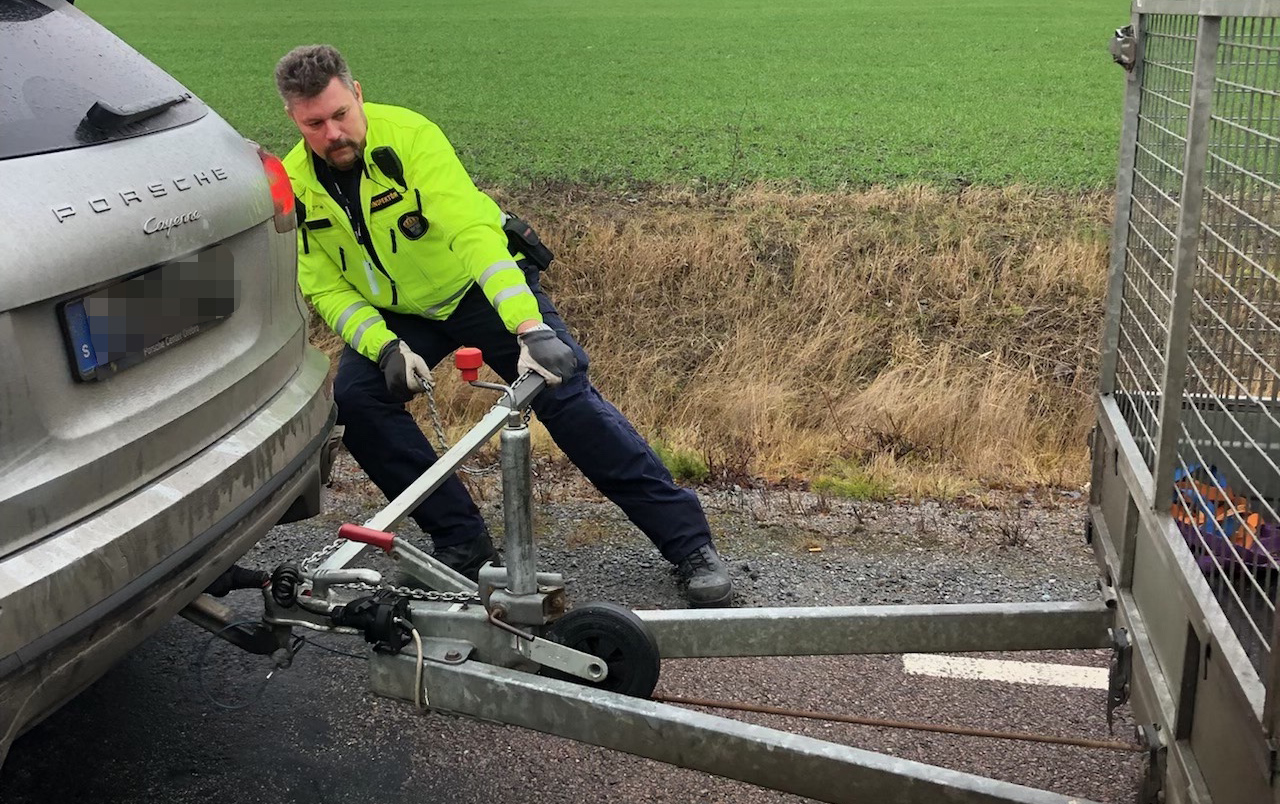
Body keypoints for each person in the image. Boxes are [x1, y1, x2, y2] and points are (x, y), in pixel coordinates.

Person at [274, 44, 733, 607]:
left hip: (478, 288)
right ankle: (462, 545)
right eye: (315, 124)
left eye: (341, 114)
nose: (333, 133)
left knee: (567, 399)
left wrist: (527, 327)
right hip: (401, 314)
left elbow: (475, 237)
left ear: (359, 93)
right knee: (358, 401)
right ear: (295, 122)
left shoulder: (413, 139)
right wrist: (384, 345)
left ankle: (689, 546)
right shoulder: (294, 183)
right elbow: (322, 284)